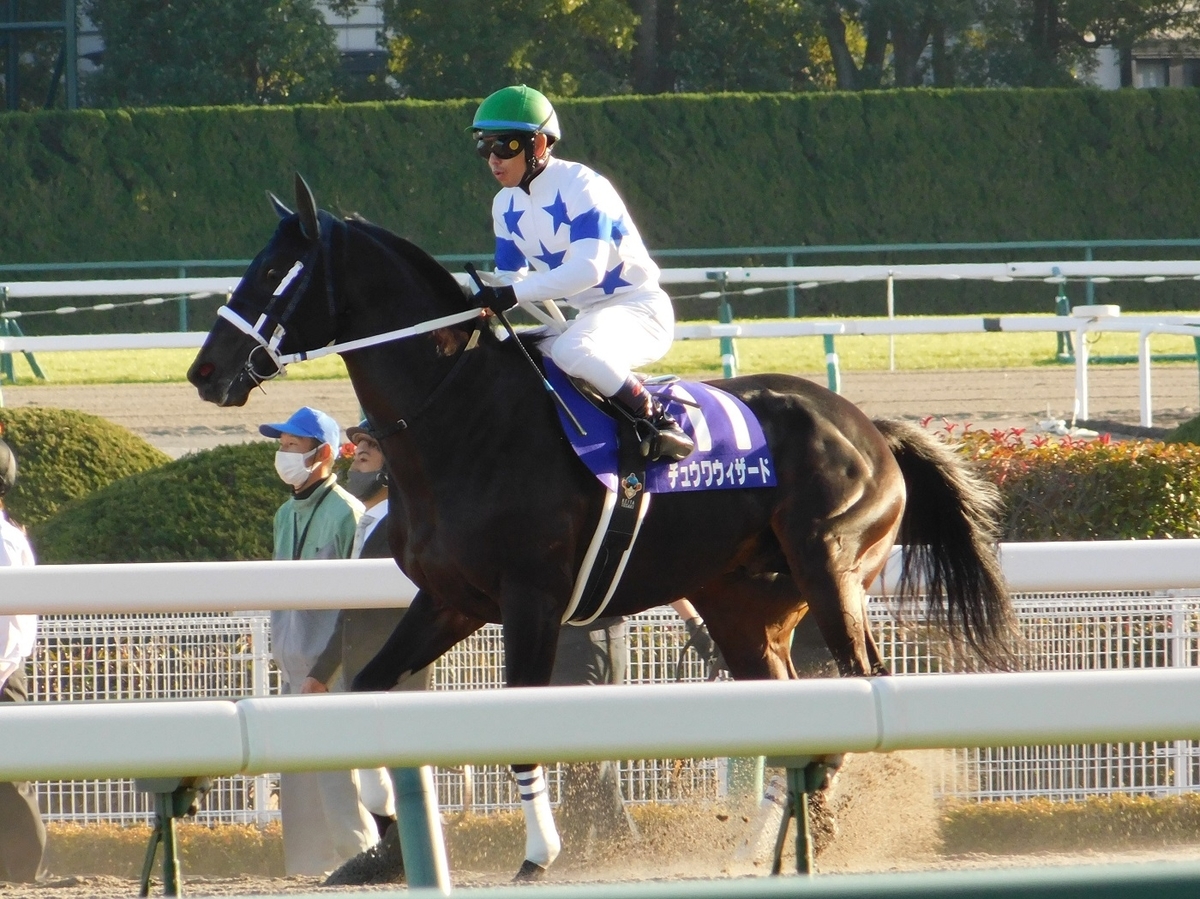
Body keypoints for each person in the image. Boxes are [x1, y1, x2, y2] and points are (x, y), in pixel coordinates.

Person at [468, 84, 694, 463]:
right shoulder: (503, 203)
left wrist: (513, 293)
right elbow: (508, 277)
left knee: (572, 349)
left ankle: (658, 421)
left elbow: (587, 270)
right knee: (508, 357)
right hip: (588, 319)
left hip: (640, 311)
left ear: (538, 145)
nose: (492, 158)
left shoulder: (584, 186)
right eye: (483, 145)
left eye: (503, 145)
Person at [303, 420, 434, 887]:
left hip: (398, 670)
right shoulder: (367, 520)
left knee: (390, 775)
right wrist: (323, 671)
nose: (358, 452)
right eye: (357, 444)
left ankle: (400, 855)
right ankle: (395, 852)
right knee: (373, 780)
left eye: (371, 446)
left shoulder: (407, 524)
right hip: (364, 670)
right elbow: (351, 611)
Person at [260, 406, 377, 876]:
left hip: (331, 675)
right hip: (292, 671)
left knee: (337, 778)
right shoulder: (284, 513)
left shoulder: (348, 512)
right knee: (299, 780)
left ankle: (363, 863)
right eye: (282, 445)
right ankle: (305, 870)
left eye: (293, 446)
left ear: (323, 454)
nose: (283, 453)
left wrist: (323, 672)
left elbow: (355, 608)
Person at [0, 437, 46, 884]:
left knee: (10, 784)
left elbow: (13, 631)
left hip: (3, 678)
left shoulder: (5, 542)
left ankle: (22, 878)